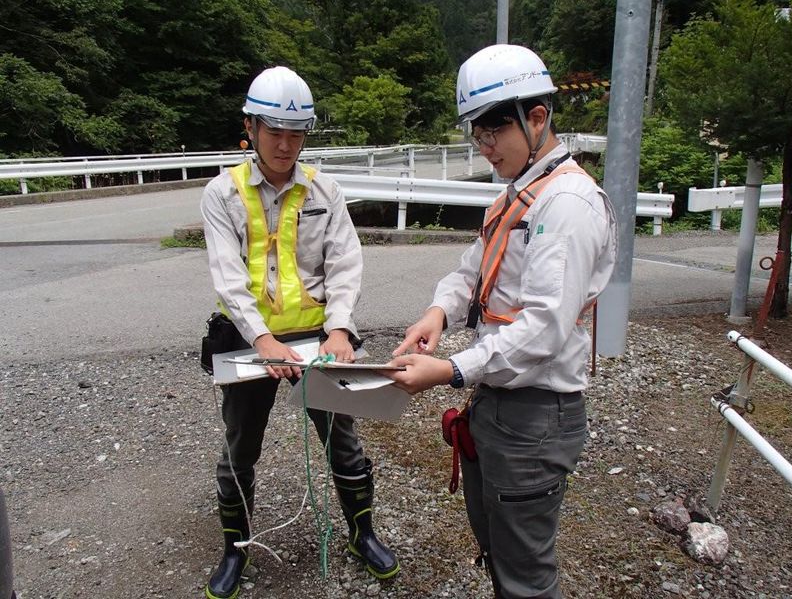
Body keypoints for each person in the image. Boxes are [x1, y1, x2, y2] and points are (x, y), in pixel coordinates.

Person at [385, 45, 617, 599]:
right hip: (496, 402)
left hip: (536, 414)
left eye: (494, 133)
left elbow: (541, 328)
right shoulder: (518, 196)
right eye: (477, 135)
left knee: (526, 574)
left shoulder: (566, 207)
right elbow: (472, 270)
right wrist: (438, 312)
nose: (485, 148)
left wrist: (447, 369)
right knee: (498, 545)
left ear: (537, 117)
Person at [200, 65, 399, 599]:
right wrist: (263, 341)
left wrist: (339, 330)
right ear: (251, 127)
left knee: (343, 440)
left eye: (297, 133)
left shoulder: (324, 190)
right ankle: (234, 551)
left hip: (318, 337)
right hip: (249, 340)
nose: (286, 144)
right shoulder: (222, 194)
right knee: (241, 447)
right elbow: (227, 276)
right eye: (274, 132)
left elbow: (345, 263)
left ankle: (363, 534)